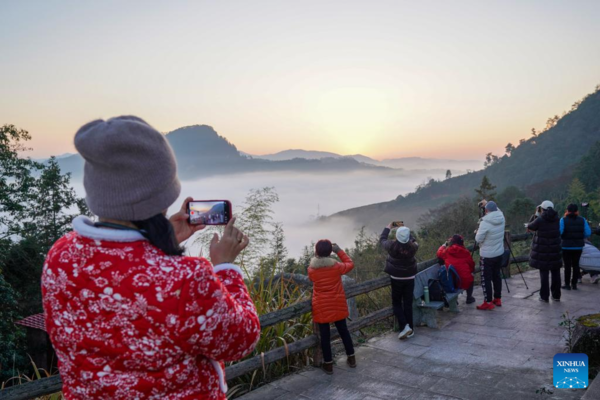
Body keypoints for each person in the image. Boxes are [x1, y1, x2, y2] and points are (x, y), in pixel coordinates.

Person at [42, 116, 261, 399]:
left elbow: (119, 271)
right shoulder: (186, 279)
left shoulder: (60, 256)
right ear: (161, 191)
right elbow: (241, 340)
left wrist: (163, 239)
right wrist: (226, 267)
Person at [307, 240, 355, 375]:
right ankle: (351, 359)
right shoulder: (337, 267)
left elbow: (312, 279)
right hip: (337, 303)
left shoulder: (311, 270)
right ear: (330, 252)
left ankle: (328, 365)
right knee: (344, 331)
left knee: (325, 336)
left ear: (316, 252)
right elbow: (350, 264)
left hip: (321, 306)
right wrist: (339, 250)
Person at [380, 223, 419, 340]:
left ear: (397, 236)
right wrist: (406, 230)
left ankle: (404, 326)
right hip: (410, 277)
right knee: (407, 303)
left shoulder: (391, 246)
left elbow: (382, 239)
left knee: (396, 303)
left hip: (396, 278)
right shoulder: (414, 247)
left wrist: (388, 227)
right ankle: (410, 329)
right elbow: (413, 240)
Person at [527, 200, 562, 302]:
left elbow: (530, 226)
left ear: (542, 209)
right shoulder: (557, 219)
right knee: (556, 273)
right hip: (555, 250)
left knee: (544, 274)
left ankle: (544, 296)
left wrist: (536, 213)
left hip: (543, 251)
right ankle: (556, 296)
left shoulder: (540, 219)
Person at [474, 201, 506, 310]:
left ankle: (487, 302)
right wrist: (487, 203)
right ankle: (497, 298)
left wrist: (477, 232)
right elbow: (497, 209)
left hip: (487, 255)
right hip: (499, 253)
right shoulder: (501, 217)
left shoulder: (485, 222)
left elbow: (478, 239)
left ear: (486, 210)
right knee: (497, 276)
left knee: (486, 279)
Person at [560, 203, 592, 290]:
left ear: (567, 211)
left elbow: (560, 232)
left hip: (566, 247)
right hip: (578, 246)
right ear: (577, 211)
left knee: (567, 266)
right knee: (576, 265)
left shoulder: (563, 220)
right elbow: (588, 233)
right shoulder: (582, 220)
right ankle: (574, 284)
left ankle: (567, 284)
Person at [437, 235, 476, 304]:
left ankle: (454, 301)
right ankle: (469, 297)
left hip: (453, 281)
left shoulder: (447, 251)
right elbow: (471, 264)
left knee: (451, 276)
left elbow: (439, 253)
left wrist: (443, 246)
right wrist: (471, 271)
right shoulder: (465, 252)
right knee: (470, 277)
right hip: (465, 280)